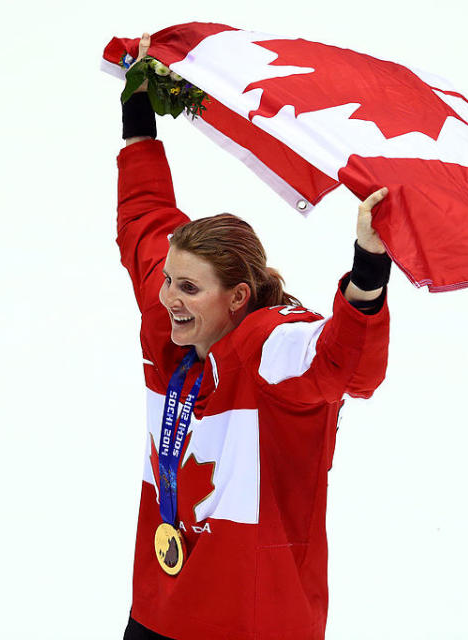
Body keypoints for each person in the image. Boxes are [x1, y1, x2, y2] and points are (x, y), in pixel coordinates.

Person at [117, 33, 392, 640]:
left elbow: (347, 366)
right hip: (158, 610)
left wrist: (369, 269)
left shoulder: (273, 350)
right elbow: (143, 218)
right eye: (168, 280)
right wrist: (138, 111)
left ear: (237, 297)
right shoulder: (171, 328)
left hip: (252, 623)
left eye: (189, 288)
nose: (167, 297)